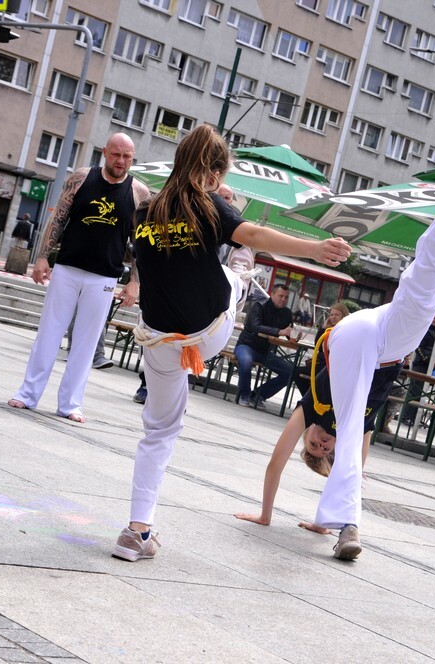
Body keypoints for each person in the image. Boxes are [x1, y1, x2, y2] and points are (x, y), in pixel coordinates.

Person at [231, 161, 435, 560]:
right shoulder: (356, 432)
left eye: (314, 446)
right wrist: (320, 519)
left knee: (353, 422)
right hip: (388, 342)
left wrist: (266, 516)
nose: (321, 442)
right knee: (424, 284)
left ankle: (347, 527)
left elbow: (275, 463)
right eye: (326, 449)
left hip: (351, 335)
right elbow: (358, 465)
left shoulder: (310, 410)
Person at [113, 125, 351, 563]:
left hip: (158, 339)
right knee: (234, 275)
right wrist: (314, 249)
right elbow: (257, 236)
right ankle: (243, 277)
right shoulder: (211, 208)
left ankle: (136, 530)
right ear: (213, 173)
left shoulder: (144, 212)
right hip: (207, 332)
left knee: (158, 432)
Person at [8, 133, 150, 423]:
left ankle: (70, 403)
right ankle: (28, 394)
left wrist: (135, 282)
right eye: (116, 155)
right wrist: (42, 256)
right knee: (49, 332)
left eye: (127, 157)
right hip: (68, 268)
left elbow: (140, 242)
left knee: (86, 344)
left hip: (105, 277)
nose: (121, 161)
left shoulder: (139, 193)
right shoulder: (82, 178)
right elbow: (58, 218)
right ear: (104, 152)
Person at [233, 283, 294, 410]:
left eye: (286, 297)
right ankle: (244, 395)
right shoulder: (259, 305)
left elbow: (288, 331)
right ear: (272, 294)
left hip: (265, 351)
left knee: (290, 372)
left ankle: (258, 395)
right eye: (280, 296)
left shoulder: (287, 313)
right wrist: (279, 332)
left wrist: (294, 337)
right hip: (246, 345)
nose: (283, 300)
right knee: (245, 362)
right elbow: (256, 327)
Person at [292, 301, 348, 395]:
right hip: (322, 363)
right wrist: (323, 328)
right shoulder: (328, 329)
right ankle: (309, 401)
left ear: (343, 316)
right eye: (331, 314)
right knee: (296, 372)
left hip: (330, 367)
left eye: (337, 315)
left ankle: (308, 402)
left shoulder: (344, 331)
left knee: (297, 372)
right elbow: (318, 345)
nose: (333, 317)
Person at [400, 305, 435, 426]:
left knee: (421, 394)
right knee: (414, 392)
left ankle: (413, 418)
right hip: (420, 365)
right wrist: (427, 359)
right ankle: (406, 417)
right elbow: (418, 347)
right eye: (434, 318)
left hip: (430, 367)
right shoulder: (425, 330)